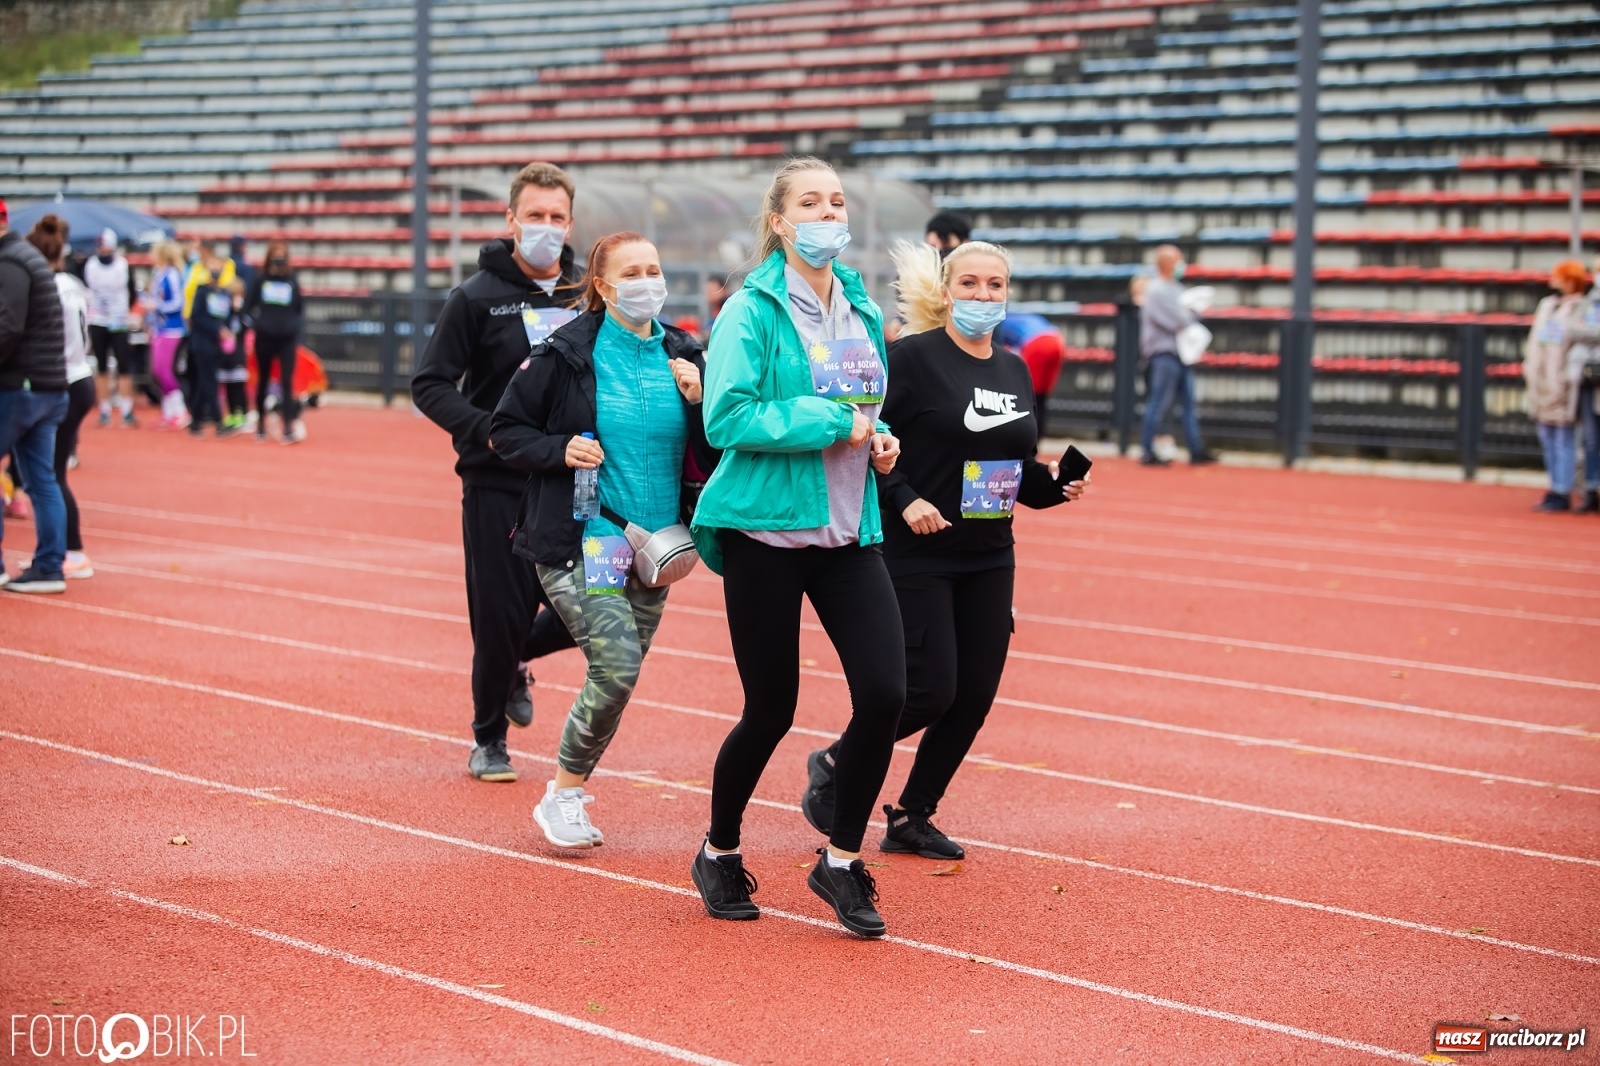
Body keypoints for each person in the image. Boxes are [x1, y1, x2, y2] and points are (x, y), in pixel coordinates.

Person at [800, 238, 1089, 861]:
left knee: (974, 696)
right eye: (970, 284)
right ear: (947, 291)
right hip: (917, 548)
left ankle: (912, 816)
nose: (984, 295)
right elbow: (865, 439)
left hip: (990, 551)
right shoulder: (911, 358)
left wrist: (1055, 485)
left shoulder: (1013, 369)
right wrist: (904, 497)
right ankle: (837, 761)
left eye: (995, 285)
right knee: (931, 690)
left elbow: (1014, 469)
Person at [688, 156, 904, 939]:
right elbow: (727, 417)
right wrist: (833, 423)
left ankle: (840, 863)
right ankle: (719, 850)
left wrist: (879, 437)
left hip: (848, 532)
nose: (828, 214)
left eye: (837, 201)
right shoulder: (750, 310)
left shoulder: (860, 306)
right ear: (780, 222)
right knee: (770, 709)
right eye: (811, 203)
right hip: (765, 534)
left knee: (885, 695)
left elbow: (864, 406)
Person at [490, 231, 713, 847]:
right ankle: (561, 796)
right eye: (631, 272)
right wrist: (559, 449)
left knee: (621, 676)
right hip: (583, 536)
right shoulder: (566, 353)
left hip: (658, 545)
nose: (647, 282)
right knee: (616, 669)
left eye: (653, 269)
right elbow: (506, 430)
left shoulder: (686, 353)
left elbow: (716, 450)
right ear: (603, 285)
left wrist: (700, 403)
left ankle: (569, 790)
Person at [411, 160, 583, 782]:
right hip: (499, 479)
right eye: (534, 215)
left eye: (556, 216)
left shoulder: (589, 294)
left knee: (600, 601)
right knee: (499, 612)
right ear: (511, 220)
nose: (546, 226)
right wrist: (487, 428)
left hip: (577, 476)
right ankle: (489, 739)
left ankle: (512, 657)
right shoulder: (476, 297)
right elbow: (430, 383)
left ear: (571, 223)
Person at [0, 197, 70, 593]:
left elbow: (8, 326)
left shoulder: (10, 261)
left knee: (41, 480)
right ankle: (49, 566)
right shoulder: (26, 258)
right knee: (43, 480)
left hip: (22, 386)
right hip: (47, 385)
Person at [26, 216, 97, 580]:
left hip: (62, 379)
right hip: (81, 374)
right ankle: (61, 550)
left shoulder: (43, 287)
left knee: (50, 474)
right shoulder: (73, 283)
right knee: (50, 472)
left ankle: (70, 550)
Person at [1523, 259, 1592, 512]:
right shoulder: (1547, 305)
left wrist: (1565, 376)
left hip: (1563, 380)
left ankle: (1563, 489)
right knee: (1547, 436)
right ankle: (1554, 485)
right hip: (1541, 379)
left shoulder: (1581, 307)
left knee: (1564, 438)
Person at [1139, 244, 1214, 466]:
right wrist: (1191, 312)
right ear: (1167, 263)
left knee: (1188, 404)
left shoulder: (1175, 288)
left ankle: (1195, 448)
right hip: (1164, 353)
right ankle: (1147, 449)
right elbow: (1178, 320)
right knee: (1158, 403)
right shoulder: (1157, 290)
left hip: (1181, 354)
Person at [244, 241, 306, 443]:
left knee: (287, 382)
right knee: (263, 381)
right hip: (265, 338)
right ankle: (261, 424)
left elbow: (299, 307)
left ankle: (287, 425)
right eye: (275, 255)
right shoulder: (261, 279)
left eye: (282, 255)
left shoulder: (291, 280)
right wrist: (258, 324)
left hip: (286, 339)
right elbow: (248, 307)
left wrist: (293, 327)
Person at [84, 228, 139, 428]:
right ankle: (104, 409)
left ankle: (126, 409)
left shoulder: (122, 266)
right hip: (98, 319)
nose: (103, 250)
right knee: (101, 365)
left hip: (118, 320)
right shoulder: (91, 265)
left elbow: (132, 292)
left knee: (124, 364)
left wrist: (121, 311)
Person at [185, 245, 234, 437]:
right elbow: (196, 317)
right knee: (209, 381)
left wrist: (227, 331)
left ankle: (195, 421)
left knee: (205, 382)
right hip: (202, 342)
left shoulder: (224, 293)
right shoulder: (202, 292)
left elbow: (227, 317)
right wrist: (217, 329)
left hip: (217, 344)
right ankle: (218, 421)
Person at [996, 312, 1067, 439]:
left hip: (1036, 343)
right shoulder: (1020, 317)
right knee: (1041, 397)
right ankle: (1038, 436)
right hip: (1057, 341)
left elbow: (999, 349)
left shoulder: (998, 324)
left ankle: (1029, 438)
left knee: (1029, 396)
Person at [147, 241, 190, 429]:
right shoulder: (160, 274)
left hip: (172, 328)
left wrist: (156, 306)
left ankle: (180, 411)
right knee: (158, 370)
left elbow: (178, 303)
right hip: (160, 327)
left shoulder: (172, 274)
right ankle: (168, 411)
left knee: (164, 370)